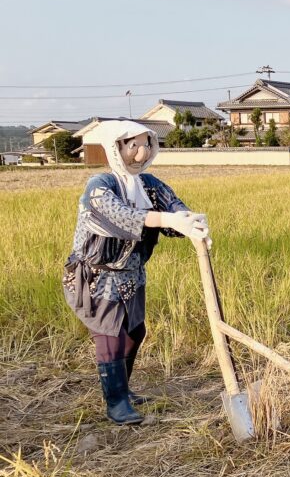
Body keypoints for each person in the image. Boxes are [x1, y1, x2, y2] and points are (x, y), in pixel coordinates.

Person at [62, 120, 210, 425]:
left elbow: (173, 206)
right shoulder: (100, 186)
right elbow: (120, 216)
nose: (141, 153)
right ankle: (115, 403)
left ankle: (124, 390)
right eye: (134, 145)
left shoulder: (148, 184)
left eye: (146, 144)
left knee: (134, 331)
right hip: (97, 276)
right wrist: (165, 219)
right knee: (110, 335)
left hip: (131, 274)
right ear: (117, 148)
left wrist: (190, 222)